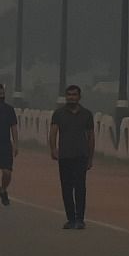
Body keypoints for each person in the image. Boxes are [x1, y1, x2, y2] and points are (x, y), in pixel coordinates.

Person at [49, 85, 95, 230]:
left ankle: (80, 219)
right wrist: (53, 149)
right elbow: (53, 132)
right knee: (67, 188)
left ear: (79, 97)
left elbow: (91, 137)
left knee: (80, 187)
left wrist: (90, 157)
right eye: (69, 95)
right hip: (65, 156)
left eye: (74, 95)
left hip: (81, 155)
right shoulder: (59, 114)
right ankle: (70, 219)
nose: (71, 97)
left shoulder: (87, 114)